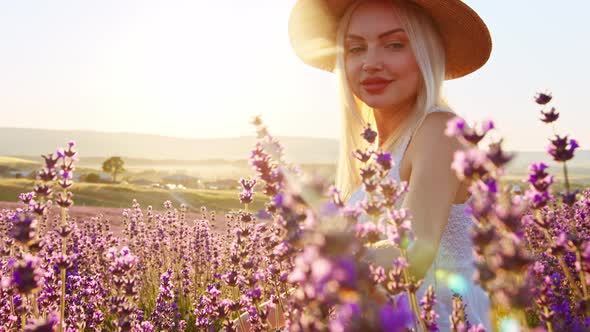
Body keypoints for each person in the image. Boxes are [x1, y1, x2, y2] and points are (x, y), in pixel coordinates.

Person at [288, 0, 493, 330]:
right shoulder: (379, 152)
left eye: (394, 45)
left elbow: (414, 252)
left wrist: (321, 267)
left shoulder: (440, 131)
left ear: (426, 54)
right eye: (356, 49)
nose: (370, 63)